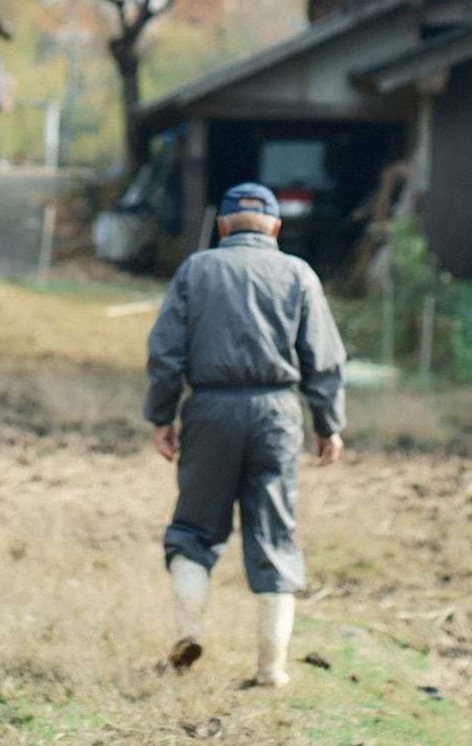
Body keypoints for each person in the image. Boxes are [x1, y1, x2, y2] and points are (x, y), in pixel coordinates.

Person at [145, 180, 346, 688]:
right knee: (274, 534)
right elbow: (323, 359)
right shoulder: (298, 274)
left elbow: (166, 352)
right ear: (275, 227)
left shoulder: (196, 270)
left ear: (222, 226)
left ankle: (189, 630)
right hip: (277, 413)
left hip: (209, 409)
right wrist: (328, 424)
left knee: (194, 528)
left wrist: (162, 416)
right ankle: (270, 666)